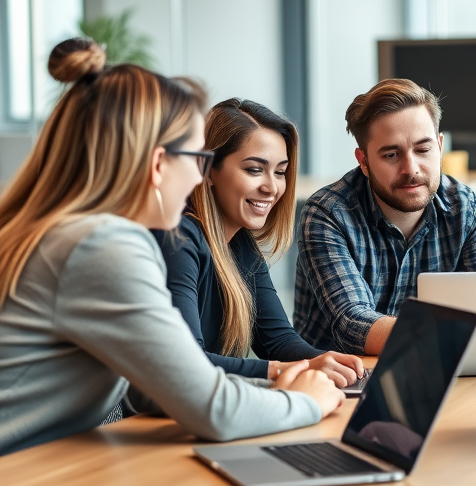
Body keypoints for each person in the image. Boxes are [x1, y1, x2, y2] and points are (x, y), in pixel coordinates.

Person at [0, 38, 345, 456]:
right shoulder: (101, 246)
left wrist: (284, 382)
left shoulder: (67, 234)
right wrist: (305, 401)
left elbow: (157, 389)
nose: (199, 177)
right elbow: (212, 409)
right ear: (159, 163)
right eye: (197, 158)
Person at [155, 98, 363, 388]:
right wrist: (283, 370)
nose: (272, 187)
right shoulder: (177, 240)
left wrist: (327, 363)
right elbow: (189, 361)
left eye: (280, 172)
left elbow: (277, 340)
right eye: (254, 169)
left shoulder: (239, 244)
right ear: (208, 169)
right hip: (144, 421)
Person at [294, 78, 476, 356]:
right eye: (392, 154)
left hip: (435, 366)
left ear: (440, 147)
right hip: (339, 381)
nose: (411, 168)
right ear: (364, 161)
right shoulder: (328, 214)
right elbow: (352, 324)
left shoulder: (466, 209)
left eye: (423, 150)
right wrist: (452, 334)